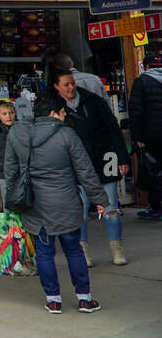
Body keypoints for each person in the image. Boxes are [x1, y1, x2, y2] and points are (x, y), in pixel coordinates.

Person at [4, 94, 109, 313]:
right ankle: (84, 298)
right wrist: (100, 200)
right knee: (74, 250)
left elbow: (10, 171)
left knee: (43, 252)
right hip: (67, 203)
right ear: (53, 113)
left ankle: (53, 300)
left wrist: (13, 201)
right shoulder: (67, 134)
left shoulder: (18, 132)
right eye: (63, 113)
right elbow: (85, 171)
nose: (64, 117)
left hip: (35, 205)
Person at [52, 69, 129, 266]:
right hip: (75, 165)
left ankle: (117, 250)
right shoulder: (54, 108)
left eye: (72, 83)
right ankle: (83, 252)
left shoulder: (93, 100)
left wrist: (123, 157)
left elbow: (113, 128)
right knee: (81, 210)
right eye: (66, 85)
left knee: (111, 206)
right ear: (56, 87)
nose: (71, 87)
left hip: (104, 159)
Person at [128, 54, 162, 221]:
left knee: (153, 172)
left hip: (152, 136)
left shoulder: (142, 82)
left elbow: (136, 112)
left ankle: (156, 208)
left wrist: (137, 136)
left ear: (146, 66)